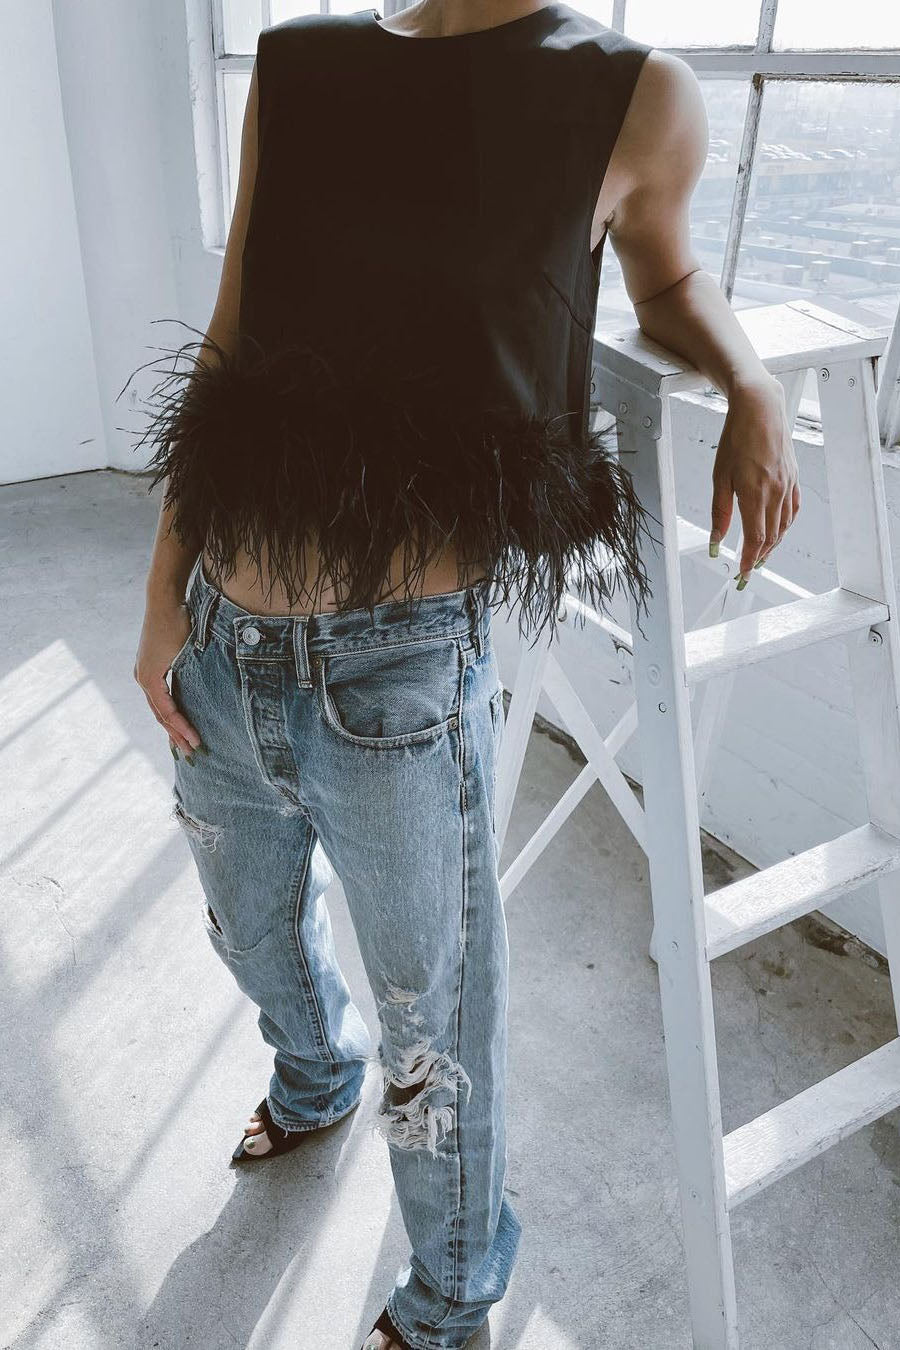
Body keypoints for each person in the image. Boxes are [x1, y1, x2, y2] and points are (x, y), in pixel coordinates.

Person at [128, 3, 800, 1347]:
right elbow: (228, 344)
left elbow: (667, 280)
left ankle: (449, 1291)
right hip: (223, 638)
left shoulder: (631, 92)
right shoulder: (300, 64)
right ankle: (311, 1078)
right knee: (247, 932)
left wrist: (754, 384)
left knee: (433, 1023)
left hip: (398, 673)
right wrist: (163, 600)